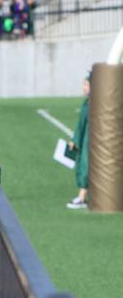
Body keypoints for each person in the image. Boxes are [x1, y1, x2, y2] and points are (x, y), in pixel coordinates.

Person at [67, 73, 90, 209]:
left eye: (86, 85)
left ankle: (82, 197)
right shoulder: (87, 103)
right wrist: (75, 140)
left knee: (86, 166)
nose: (84, 88)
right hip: (86, 139)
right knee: (83, 165)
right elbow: (81, 125)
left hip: (91, 141)